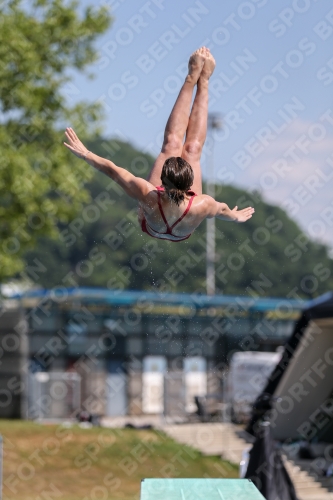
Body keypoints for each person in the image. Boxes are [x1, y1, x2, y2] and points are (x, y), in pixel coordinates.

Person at [64, 47, 255, 242]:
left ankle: (194, 78)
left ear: (161, 183)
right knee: (191, 150)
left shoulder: (149, 194)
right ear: (191, 186)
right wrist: (234, 216)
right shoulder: (201, 203)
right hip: (174, 221)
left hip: (155, 222)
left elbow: (113, 171)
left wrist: (86, 153)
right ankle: (202, 80)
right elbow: (222, 209)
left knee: (173, 146)